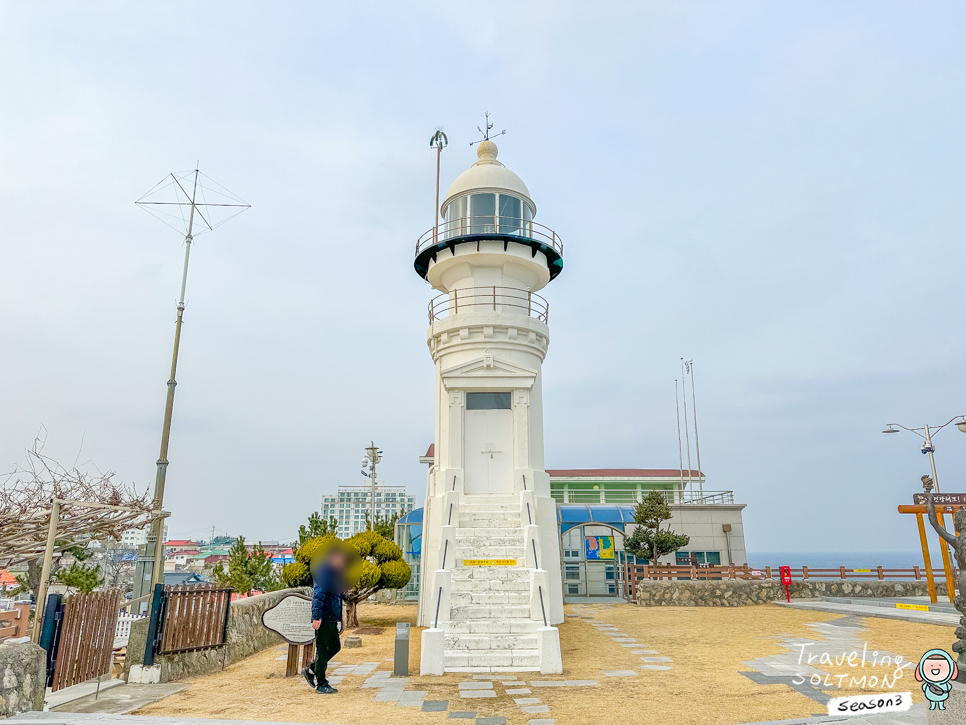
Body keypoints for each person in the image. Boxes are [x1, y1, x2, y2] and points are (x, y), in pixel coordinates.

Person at [302, 547, 345, 694]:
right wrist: (317, 616)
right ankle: (321, 683)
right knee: (323, 650)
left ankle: (312, 669)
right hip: (323, 618)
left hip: (331, 618)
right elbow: (318, 596)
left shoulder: (335, 574)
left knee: (335, 647)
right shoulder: (324, 573)